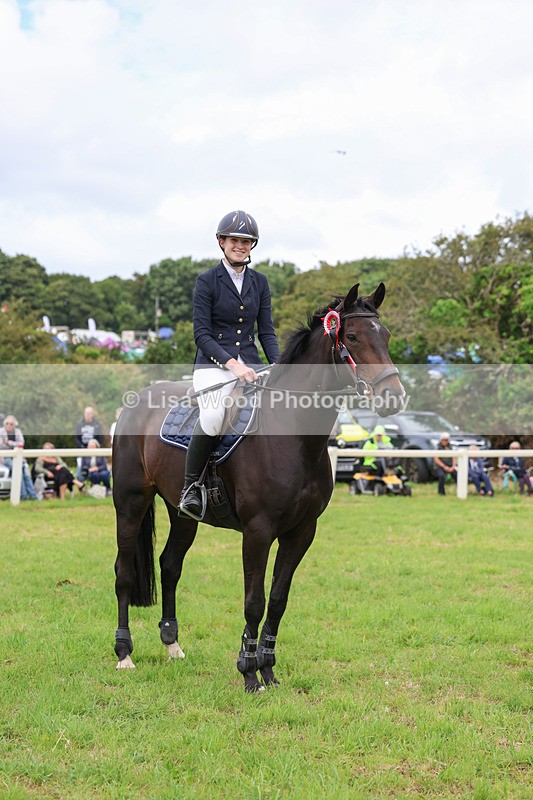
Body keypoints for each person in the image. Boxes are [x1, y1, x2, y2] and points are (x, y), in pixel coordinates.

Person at [178, 210, 280, 520]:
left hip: (252, 365)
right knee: (213, 416)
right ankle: (191, 488)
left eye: (247, 241)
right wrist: (231, 364)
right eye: (235, 240)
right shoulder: (207, 280)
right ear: (222, 242)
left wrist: (278, 364)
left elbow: (266, 331)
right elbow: (201, 334)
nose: (241, 246)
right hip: (213, 366)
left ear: (253, 245)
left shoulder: (259, 282)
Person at [0, 415, 38, 500]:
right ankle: (23, 495)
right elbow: (1, 445)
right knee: (19, 471)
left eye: (11, 424)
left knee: (26, 474)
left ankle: (33, 496)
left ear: (14, 425)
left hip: (19, 458)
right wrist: (14, 444)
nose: (9, 425)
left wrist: (9, 442)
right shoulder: (1, 432)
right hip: (5, 458)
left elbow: (21, 443)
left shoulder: (17, 432)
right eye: (7, 423)